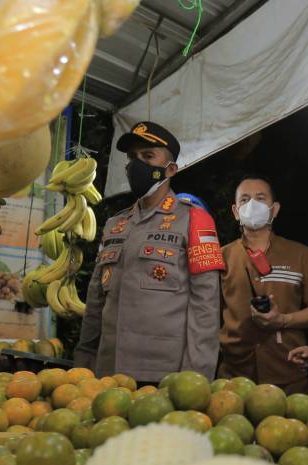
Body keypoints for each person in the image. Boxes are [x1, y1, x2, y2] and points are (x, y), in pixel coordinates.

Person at [74, 121, 225, 383]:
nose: (137, 165)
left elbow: (206, 307)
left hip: (163, 376)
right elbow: (96, 299)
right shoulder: (115, 224)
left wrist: (195, 378)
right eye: (132, 158)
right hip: (108, 374)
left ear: (171, 169)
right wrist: (84, 364)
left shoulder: (194, 220)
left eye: (147, 156)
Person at [218, 175, 308, 393]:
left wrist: (284, 320)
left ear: (274, 210)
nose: (252, 205)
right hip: (233, 378)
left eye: (260, 198)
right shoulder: (222, 257)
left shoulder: (299, 254)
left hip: (287, 373)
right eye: (244, 200)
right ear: (236, 212)